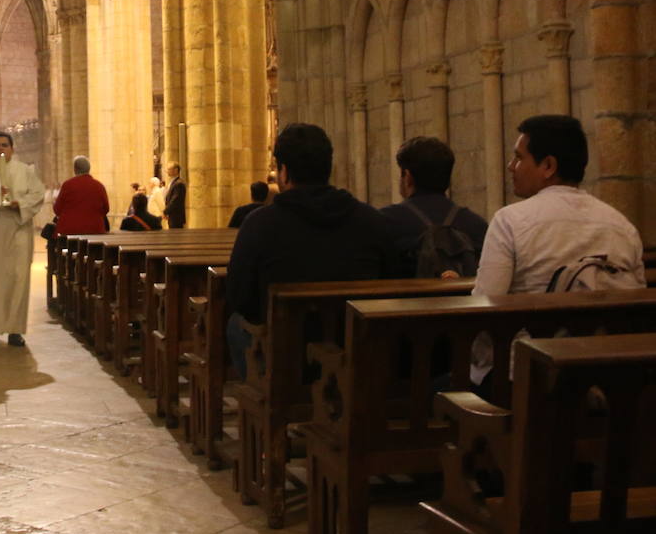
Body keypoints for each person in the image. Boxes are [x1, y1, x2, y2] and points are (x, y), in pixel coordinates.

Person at [469, 115, 644, 387]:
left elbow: (484, 309)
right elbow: (635, 312)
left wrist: (477, 368)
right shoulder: (622, 226)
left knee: (437, 391)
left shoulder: (510, 221)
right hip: (611, 383)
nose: (510, 166)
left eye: (519, 157)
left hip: (527, 382)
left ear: (548, 165)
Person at [225, 123, 399, 378]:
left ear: (283, 172)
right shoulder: (373, 221)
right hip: (358, 357)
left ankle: (265, 402)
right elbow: (393, 280)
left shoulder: (259, 225)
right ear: (329, 167)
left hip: (288, 365)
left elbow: (239, 297)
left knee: (233, 325)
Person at [379, 136, 488, 278]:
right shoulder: (477, 225)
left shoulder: (384, 222)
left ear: (407, 176)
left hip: (409, 300)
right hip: (464, 300)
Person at [0, 131, 45, 346]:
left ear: (12, 149)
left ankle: (14, 329)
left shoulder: (25, 171)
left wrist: (20, 203)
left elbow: (37, 194)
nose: (0, 149)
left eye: (4, 145)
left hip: (18, 228)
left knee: (18, 278)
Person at [53, 155, 109, 234]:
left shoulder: (68, 185)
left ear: (75, 169)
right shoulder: (99, 186)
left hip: (69, 231)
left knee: (63, 245)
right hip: (94, 231)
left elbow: (57, 209)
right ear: (89, 169)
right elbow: (106, 209)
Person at [163, 161, 187, 228]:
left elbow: (175, 200)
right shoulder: (173, 182)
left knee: (176, 236)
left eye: (169, 169)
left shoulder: (179, 183)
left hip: (176, 216)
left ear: (176, 170)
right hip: (172, 215)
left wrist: (165, 211)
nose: (167, 171)